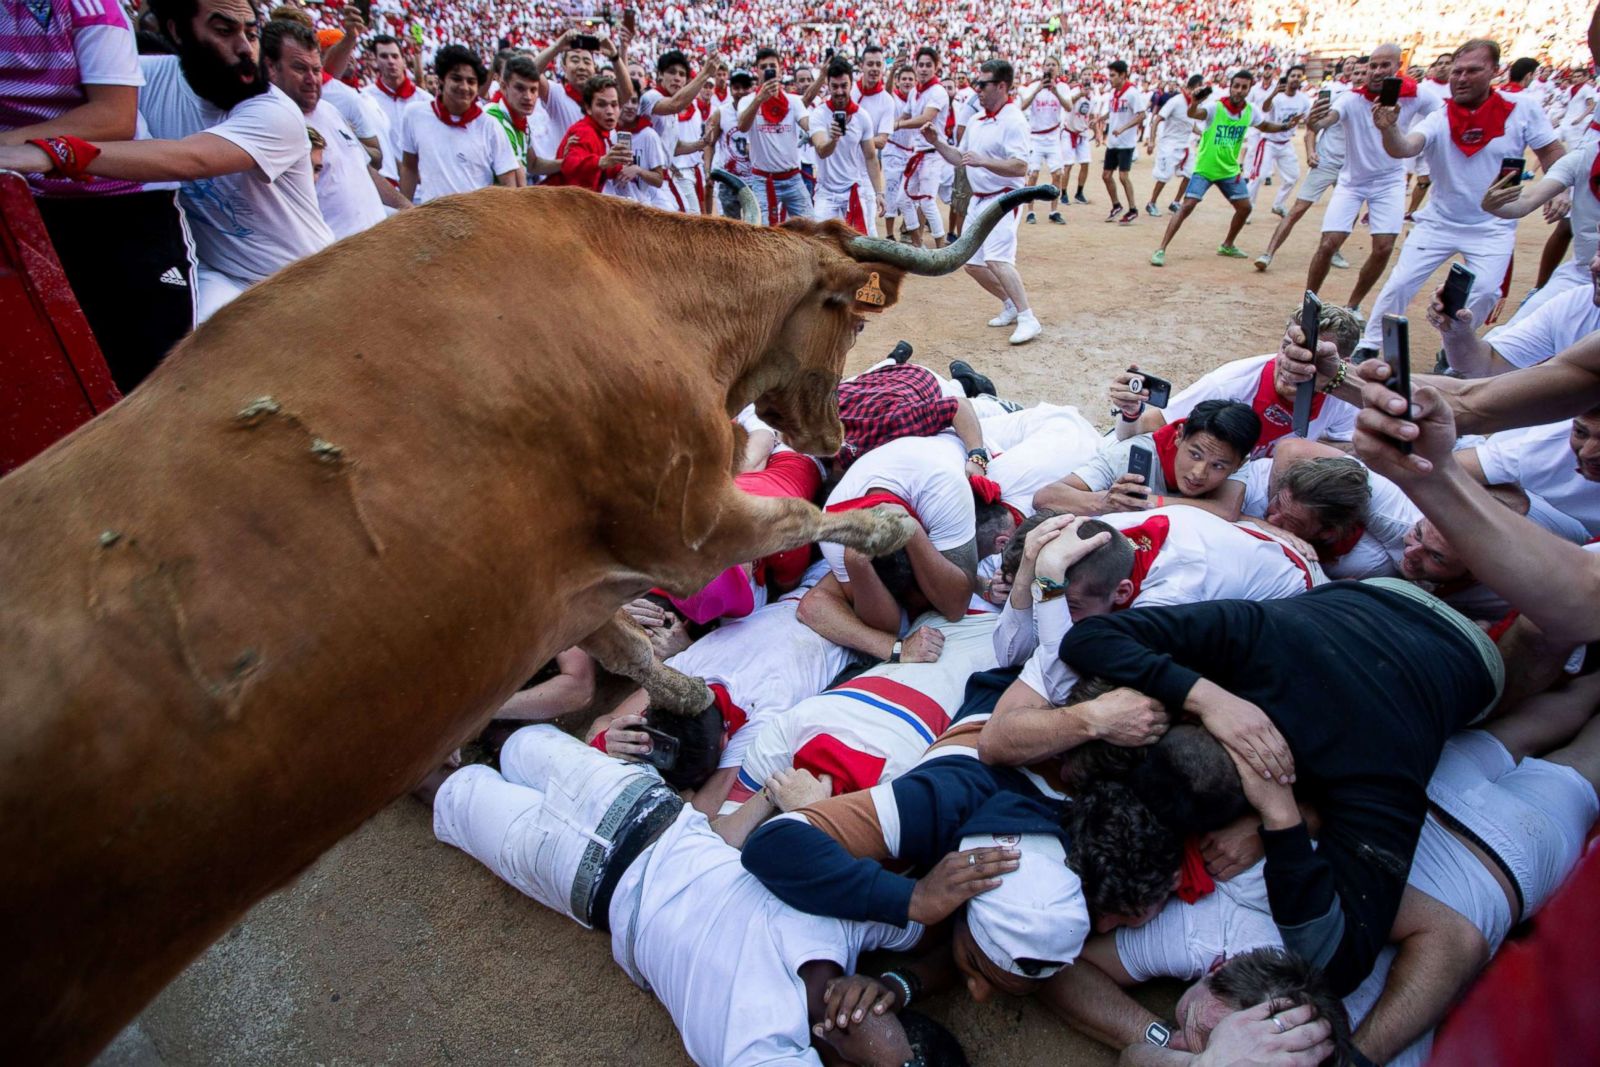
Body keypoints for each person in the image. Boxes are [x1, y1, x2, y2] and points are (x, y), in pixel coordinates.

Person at [1056, 578, 1503, 996]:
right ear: (1188, 719)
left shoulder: (1381, 772)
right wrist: (1209, 696)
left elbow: (1338, 966)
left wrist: (1281, 819)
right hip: (1372, 594)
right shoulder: (1253, 635)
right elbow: (1086, 639)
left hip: (1466, 649)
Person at [430, 725, 970, 1067]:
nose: (859, 1021)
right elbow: (947, 929)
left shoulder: (759, 1042)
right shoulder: (847, 919)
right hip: (642, 802)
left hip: (574, 872)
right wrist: (902, 983)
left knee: (450, 791)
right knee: (521, 742)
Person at [0, 0, 333, 322]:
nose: (245, 48)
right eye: (224, 31)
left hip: (303, 279)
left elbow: (190, 159)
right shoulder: (149, 79)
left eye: (251, 32)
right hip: (219, 277)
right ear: (176, 31)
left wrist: (58, 151)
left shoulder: (276, 113)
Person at [1, 0, 199, 394]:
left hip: (121, 210)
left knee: (153, 379)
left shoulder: (89, 6)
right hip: (30, 209)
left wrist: (7, 144)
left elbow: (113, 118)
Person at [1357, 39, 1564, 353]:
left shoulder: (1522, 109)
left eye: (1473, 70)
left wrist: (1561, 187)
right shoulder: (1440, 118)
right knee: (1399, 284)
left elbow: (1550, 151)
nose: (1462, 78)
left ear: (1495, 70)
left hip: (1493, 226)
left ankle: (1453, 351)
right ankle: (1370, 344)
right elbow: (1404, 147)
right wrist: (1388, 129)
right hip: (1439, 222)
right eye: (1457, 71)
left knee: (1483, 293)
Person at [1114, 301, 1364, 456]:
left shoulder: (1344, 396)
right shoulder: (1229, 384)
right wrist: (1129, 412)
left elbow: (1345, 444)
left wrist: (1297, 455)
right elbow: (1145, 428)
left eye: (1313, 358)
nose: (1292, 362)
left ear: (1344, 366)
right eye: (1287, 346)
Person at [1302, 43, 1442, 320]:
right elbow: (1326, 120)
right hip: (1351, 182)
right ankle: (1308, 304)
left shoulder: (1415, 96)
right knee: (1329, 243)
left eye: (1384, 66)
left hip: (1390, 182)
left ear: (1397, 67)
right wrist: (1314, 120)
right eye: (1373, 66)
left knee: (1383, 248)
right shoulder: (1351, 100)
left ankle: (1353, 306)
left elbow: (1443, 114)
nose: (1377, 72)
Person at [917, 59, 1039, 344]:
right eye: (977, 84)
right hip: (979, 200)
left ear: (1001, 86)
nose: (977, 90)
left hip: (1005, 198)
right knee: (971, 263)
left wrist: (984, 161)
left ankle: (1027, 317)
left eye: (983, 84)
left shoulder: (1014, 120)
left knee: (997, 258)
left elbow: (1021, 167)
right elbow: (961, 158)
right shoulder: (976, 120)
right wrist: (937, 142)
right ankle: (1010, 305)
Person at [262, 19, 399, 240]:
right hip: (333, 259)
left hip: (378, 246)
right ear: (271, 68)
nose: (312, 79)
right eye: (300, 68)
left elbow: (363, 169)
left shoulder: (329, 110)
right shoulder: (269, 124)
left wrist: (407, 208)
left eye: (316, 69)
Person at [1150, 69, 1301, 266]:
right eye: (1236, 86)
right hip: (1205, 167)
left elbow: (1263, 126)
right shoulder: (1216, 107)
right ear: (1230, 87)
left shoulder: (1250, 110)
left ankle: (1228, 244)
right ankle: (1161, 248)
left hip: (1229, 169)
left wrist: (1284, 127)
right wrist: (1195, 102)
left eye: (1243, 87)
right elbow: (1194, 113)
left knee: (1245, 208)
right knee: (1187, 205)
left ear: (1248, 89)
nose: (1239, 90)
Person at [1037, 400, 1260, 519]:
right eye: (1195, 455)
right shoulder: (1127, 454)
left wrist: (1147, 503)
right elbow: (1046, 496)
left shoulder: (1233, 452)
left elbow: (1226, 511)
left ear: (1238, 464)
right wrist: (1103, 503)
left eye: (1217, 466)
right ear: (1179, 435)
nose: (1198, 473)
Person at [397, 44, 520, 203]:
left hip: (477, 222)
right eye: (456, 78)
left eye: (471, 81)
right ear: (442, 79)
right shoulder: (414, 114)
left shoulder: (490, 126)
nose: (464, 87)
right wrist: (403, 212)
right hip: (431, 220)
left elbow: (509, 184)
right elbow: (409, 167)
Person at [808, 58, 885, 235]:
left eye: (844, 85)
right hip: (826, 193)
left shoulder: (862, 116)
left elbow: (871, 157)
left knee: (865, 243)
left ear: (851, 84)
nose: (840, 91)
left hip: (854, 190)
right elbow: (821, 150)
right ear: (827, 85)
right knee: (821, 243)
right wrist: (833, 140)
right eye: (835, 86)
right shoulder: (819, 114)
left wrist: (879, 193)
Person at [737, 47, 812, 224]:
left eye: (772, 66)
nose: (768, 70)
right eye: (763, 67)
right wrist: (759, 99)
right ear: (757, 71)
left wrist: (822, 131)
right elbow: (742, 126)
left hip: (793, 179)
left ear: (780, 70)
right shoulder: (747, 101)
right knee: (760, 233)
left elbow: (807, 124)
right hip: (762, 181)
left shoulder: (793, 101)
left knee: (813, 229)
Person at [893, 46, 950, 247]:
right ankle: (918, 244)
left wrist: (897, 125)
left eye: (928, 65)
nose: (924, 69)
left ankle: (941, 247)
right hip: (918, 153)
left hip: (933, 154)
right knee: (903, 200)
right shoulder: (916, 92)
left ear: (936, 67)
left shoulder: (938, 91)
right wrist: (891, 125)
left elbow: (925, 119)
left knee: (926, 201)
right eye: (921, 65)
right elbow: (907, 114)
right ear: (916, 66)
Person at [362, 34, 431, 185]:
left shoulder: (424, 100)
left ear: (403, 59)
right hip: (387, 185)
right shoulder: (365, 99)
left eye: (395, 56)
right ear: (375, 60)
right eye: (384, 56)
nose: (391, 61)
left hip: (424, 184)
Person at [484, 55, 562, 182]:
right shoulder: (493, 118)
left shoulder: (522, 122)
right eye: (520, 88)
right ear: (503, 87)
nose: (528, 96)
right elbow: (515, 187)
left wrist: (569, 163)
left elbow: (533, 164)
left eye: (533, 90)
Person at [1245, 65, 1311, 214]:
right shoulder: (1278, 96)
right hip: (1268, 142)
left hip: (1286, 143)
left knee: (1293, 177)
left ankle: (1278, 204)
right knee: (1258, 177)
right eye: (1293, 75)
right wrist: (1273, 93)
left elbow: (1307, 118)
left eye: (1299, 76)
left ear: (1302, 79)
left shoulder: (1303, 100)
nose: (1295, 78)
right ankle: (1247, 210)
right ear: (1287, 78)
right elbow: (1265, 108)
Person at [1018, 58, 1070, 224]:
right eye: (1047, 64)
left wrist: (1056, 92)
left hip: (1053, 137)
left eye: (1054, 65)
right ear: (1042, 67)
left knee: (1057, 174)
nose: (1050, 67)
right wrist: (1038, 90)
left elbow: (1068, 107)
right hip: (1035, 137)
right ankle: (1030, 211)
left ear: (1058, 69)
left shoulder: (1062, 87)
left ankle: (1054, 211)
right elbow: (1022, 106)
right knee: (1033, 174)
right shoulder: (1033, 87)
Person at [1144, 75, 1201, 217]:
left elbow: (1191, 125)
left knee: (1191, 174)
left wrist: (1203, 134)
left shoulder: (1194, 104)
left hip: (1185, 144)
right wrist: (1151, 141)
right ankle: (1151, 203)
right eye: (1197, 88)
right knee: (1164, 176)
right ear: (1189, 88)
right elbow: (1157, 120)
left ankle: (1176, 202)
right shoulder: (1175, 101)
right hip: (1169, 144)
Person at [1100, 60, 1147, 224]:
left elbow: (1142, 115)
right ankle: (1116, 205)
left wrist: (1123, 128)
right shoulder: (1115, 92)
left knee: (1123, 176)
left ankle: (1133, 209)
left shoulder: (1132, 93)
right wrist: (1101, 118)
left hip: (1126, 142)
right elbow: (1113, 111)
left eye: (1113, 75)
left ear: (1122, 75)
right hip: (1113, 142)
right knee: (1106, 176)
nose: (1110, 79)